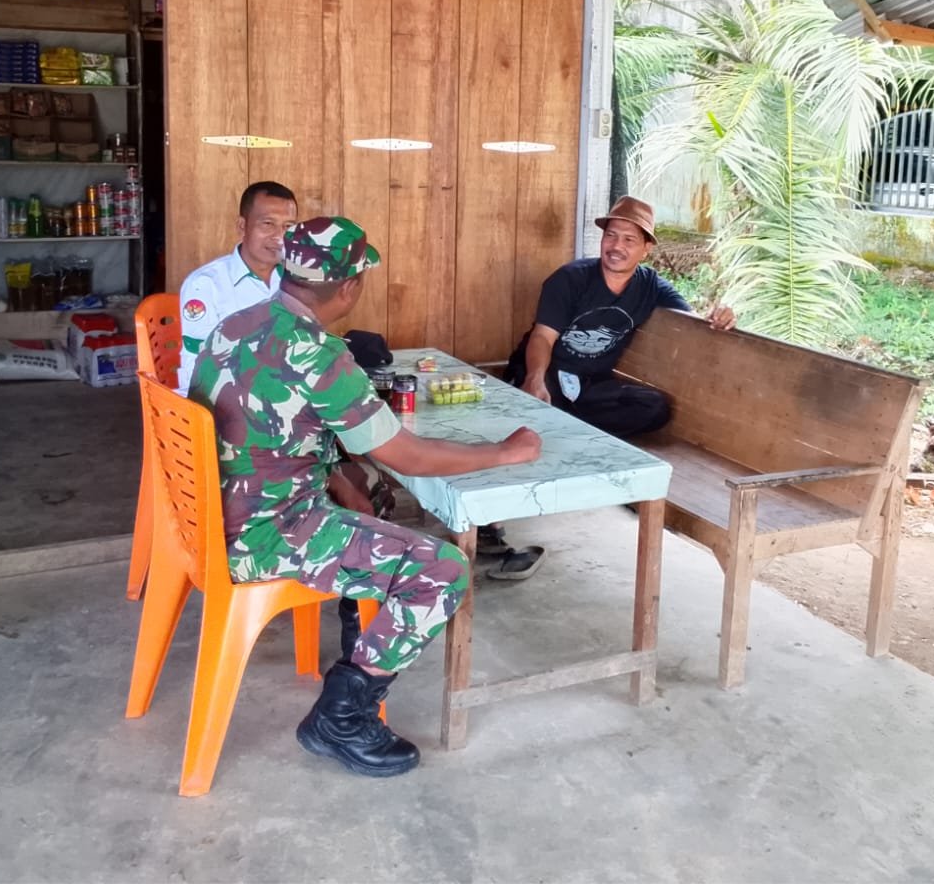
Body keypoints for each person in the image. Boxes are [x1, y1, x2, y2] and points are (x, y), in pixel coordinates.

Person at [190, 216, 541, 778]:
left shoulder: (235, 325)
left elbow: (271, 432)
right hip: (267, 534)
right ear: (350, 287)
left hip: (214, 515)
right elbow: (409, 456)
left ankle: (361, 628)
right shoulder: (319, 355)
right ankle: (341, 718)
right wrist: (504, 452)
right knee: (443, 569)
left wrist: (342, 479)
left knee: (367, 492)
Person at [490, 196, 735, 578]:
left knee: (655, 408)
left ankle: (571, 432)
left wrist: (719, 317)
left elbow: (692, 321)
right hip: (548, 371)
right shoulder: (570, 278)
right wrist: (534, 379)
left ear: (646, 248)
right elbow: (542, 337)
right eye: (611, 236)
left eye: (629, 240)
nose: (616, 246)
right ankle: (492, 519)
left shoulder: (651, 287)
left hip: (590, 386)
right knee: (534, 410)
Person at [175, 181, 297, 396]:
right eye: (268, 224)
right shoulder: (205, 284)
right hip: (218, 395)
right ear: (242, 226)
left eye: (288, 227)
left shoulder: (295, 280)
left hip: (278, 391)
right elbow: (204, 364)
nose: (279, 237)